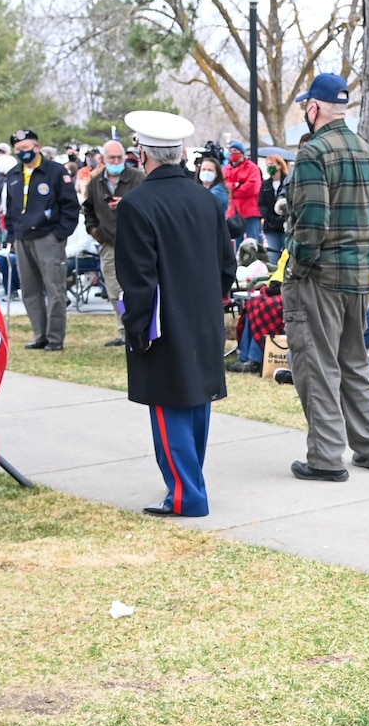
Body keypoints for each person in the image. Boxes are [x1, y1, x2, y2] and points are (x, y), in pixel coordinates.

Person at [113, 111, 238, 516]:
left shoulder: (136, 204)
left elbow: (138, 278)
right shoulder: (204, 198)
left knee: (169, 407)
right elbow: (226, 264)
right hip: (202, 314)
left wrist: (136, 326)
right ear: (180, 154)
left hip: (163, 319)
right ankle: (190, 485)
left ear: (143, 154)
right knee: (196, 402)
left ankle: (187, 495)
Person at [282, 72, 369, 480]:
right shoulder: (366, 150)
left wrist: (300, 266)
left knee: (317, 364)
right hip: (360, 278)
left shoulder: (314, 153)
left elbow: (312, 220)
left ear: (313, 108)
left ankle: (326, 458)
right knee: (353, 362)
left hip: (322, 277)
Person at [0, 128, 79, 350]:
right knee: (30, 290)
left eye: (26, 148)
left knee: (54, 289)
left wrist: (60, 234)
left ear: (36, 147)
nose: (23, 153)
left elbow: (70, 206)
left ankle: (54, 338)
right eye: (18, 150)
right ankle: (39, 334)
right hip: (23, 238)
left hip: (48, 237)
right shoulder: (14, 174)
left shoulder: (54, 172)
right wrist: (13, 236)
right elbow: (12, 209)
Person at [83, 139, 145, 345]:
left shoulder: (138, 179)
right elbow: (88, 209)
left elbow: (149, 206)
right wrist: (94, 231)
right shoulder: (95, 182)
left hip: (135, 244)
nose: (117, 161)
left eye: (120, 157)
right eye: (112, 158)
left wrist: (127, 204)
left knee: (135, 289)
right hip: (108, 243)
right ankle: (124, 332)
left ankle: (139, 330)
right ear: (103, 159)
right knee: (113, 290)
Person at [222, 139, 263, 241]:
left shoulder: (252, 168)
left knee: (252, 242)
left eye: (235, 151)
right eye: (230, 151)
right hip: (233, 212)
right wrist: (237, 185)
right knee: (236, 243)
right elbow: (223, 186)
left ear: (242, 153)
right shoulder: (226, 169)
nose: (232, 154)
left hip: (250, 211)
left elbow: (253, 188)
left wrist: (233, 192)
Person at [259, 154, 290, 262]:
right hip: (270, 226)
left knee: (287, 256)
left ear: (280, 165)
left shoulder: (288, 182)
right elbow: (262, 204)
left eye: (272, 164)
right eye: (267, 165)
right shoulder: (265, 185)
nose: (269, 167)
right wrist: (270, 218)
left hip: (286, 225)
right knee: (273, 256)